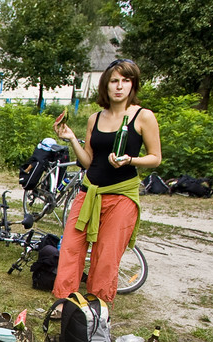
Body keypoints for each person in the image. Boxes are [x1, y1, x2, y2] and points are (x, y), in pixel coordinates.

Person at [53, 58, 161, 304]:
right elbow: (89, 162)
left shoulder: (143, 117)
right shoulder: (95, 118)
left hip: (121, 196)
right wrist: (71, 139)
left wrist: (130, 160)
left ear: (132, 85)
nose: (119, 86)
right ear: (106, 85)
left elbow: (155, 158)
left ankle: (97, 307)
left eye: (126, 80)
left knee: (106, 256)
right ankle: (66, 303)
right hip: (89, 191)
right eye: (114, 81)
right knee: (71, 248)